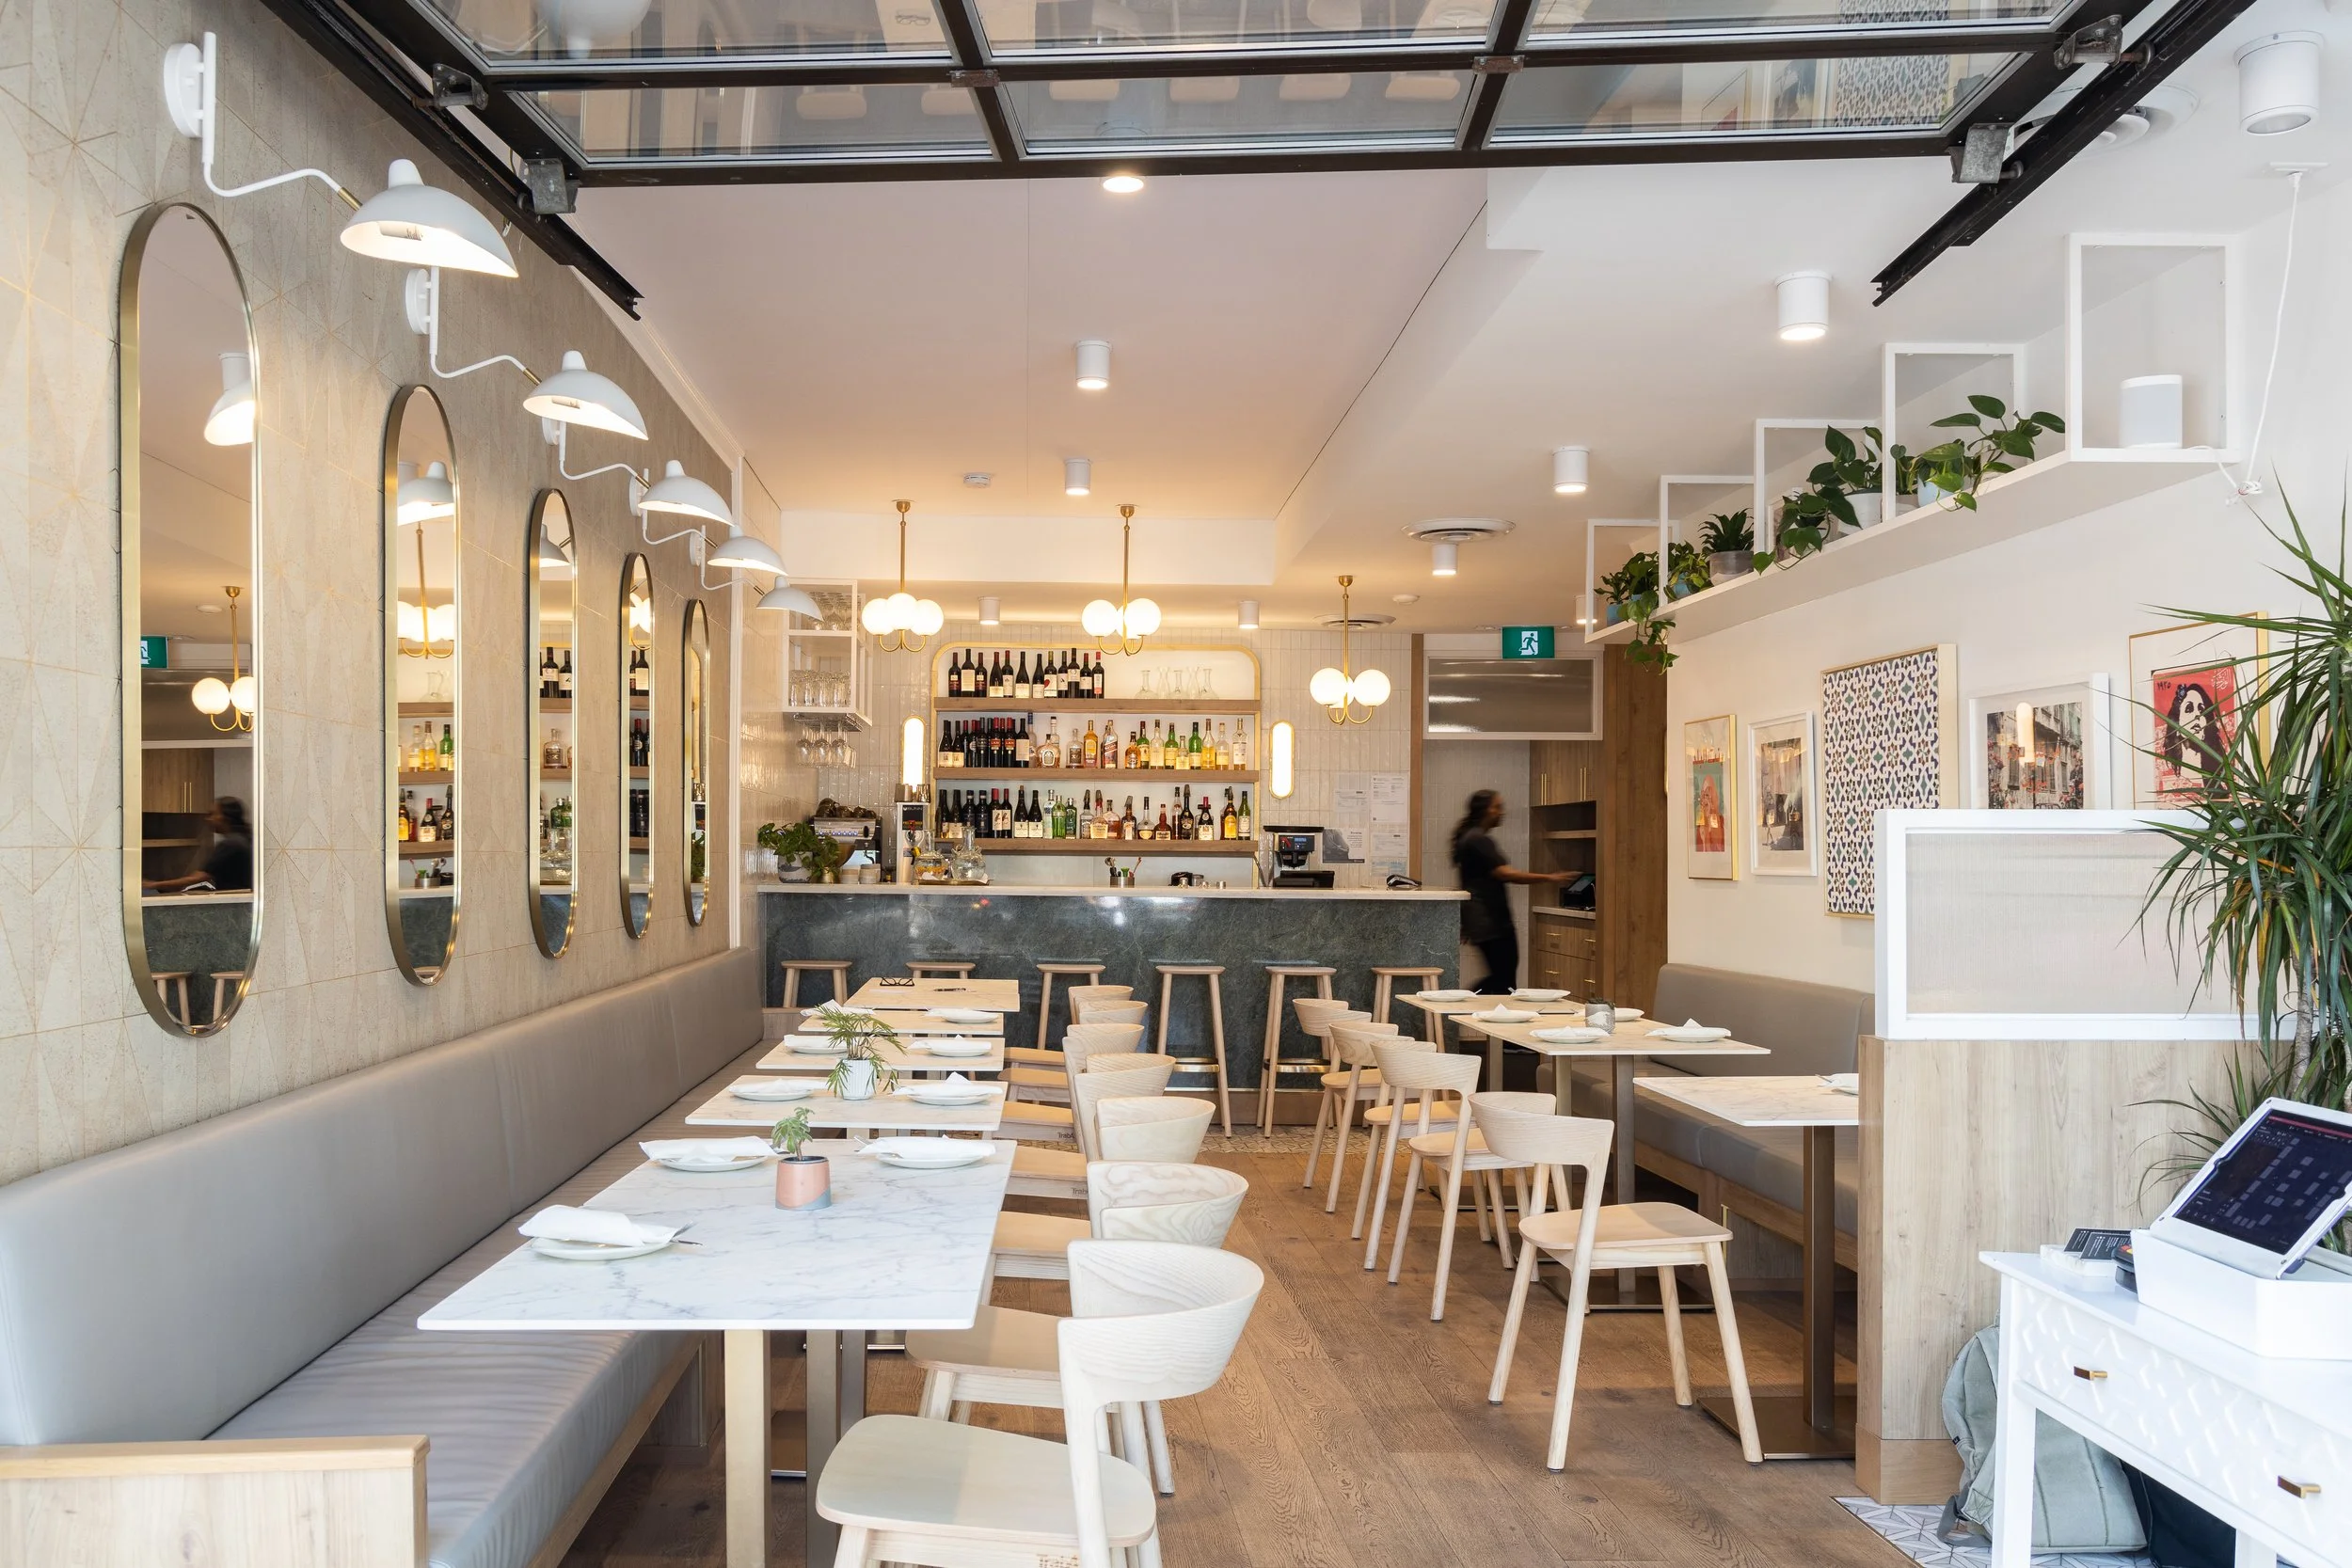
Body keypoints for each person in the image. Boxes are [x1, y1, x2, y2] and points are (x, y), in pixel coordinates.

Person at [1450, 789, 1572, 996]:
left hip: (1482, 922)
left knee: (1502, 980)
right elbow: (1505, 873)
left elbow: (1469, 882)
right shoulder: (1479, 840)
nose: (1502, 812)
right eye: (1497, 807)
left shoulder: (1469, 838)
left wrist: (1466, 922)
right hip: (1493, 923)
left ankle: (1466, 1006)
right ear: (1485, 810)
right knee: (1504, 982)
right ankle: (1459, 1004)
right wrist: (1549, 877)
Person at [144, 797, 253, 895]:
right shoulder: (245, 838)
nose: (208, 819)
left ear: (226, 817)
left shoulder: (230, 844)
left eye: (212, 814)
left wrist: (153, 885)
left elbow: (198, 878)